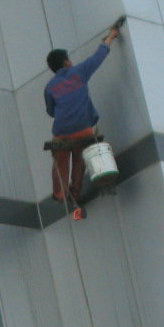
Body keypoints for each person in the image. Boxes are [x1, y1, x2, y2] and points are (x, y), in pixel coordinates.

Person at [44, 24, 121, 204]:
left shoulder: (50, 86)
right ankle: (75, 192)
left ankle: (60, 193)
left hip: (62, 131)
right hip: (83, 130)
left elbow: (50, 110)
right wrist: (110, 37)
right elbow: (98, 56)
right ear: (66, 62)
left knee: (60, 161)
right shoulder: (79, 72)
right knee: (79, 159)